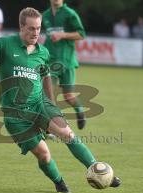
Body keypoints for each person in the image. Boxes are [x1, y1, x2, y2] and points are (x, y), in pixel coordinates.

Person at [0, 7, 120, 193]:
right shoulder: (4, 44)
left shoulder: (43, 52)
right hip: (15, 115)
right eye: (31, 28)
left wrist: (51, 104)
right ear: (21, 27)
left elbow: (45, 76)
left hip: (40, 104)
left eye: (39, 28)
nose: (36, 33)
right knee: (44, 154)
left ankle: (100, 171)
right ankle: (59, 182)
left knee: (68, 134)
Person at [42, 0, 86, 130]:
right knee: (48, 95)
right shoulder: (45, 16)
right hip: (51, 61)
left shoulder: (70, 14)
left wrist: (63, 35)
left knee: (69, 97)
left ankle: (80, 111)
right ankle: (54, 126)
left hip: (67, 61)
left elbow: (81, 34)